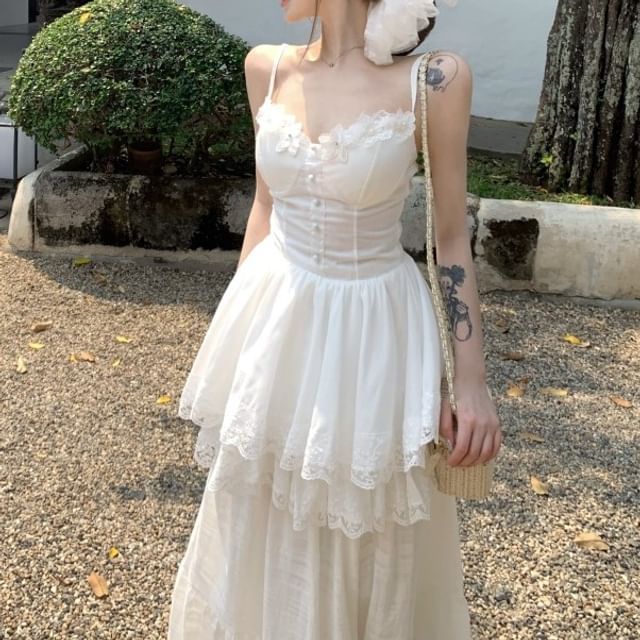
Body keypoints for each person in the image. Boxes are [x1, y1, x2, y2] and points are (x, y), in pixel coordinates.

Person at [168, 0, 502, 637]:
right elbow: (266, 206)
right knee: (261, 503)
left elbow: (451, 238)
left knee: (364, 518)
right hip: (277, 321)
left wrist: (471, 383)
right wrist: (236, 337)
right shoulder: (265, 68)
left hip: (373, 333)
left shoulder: (435, 81)